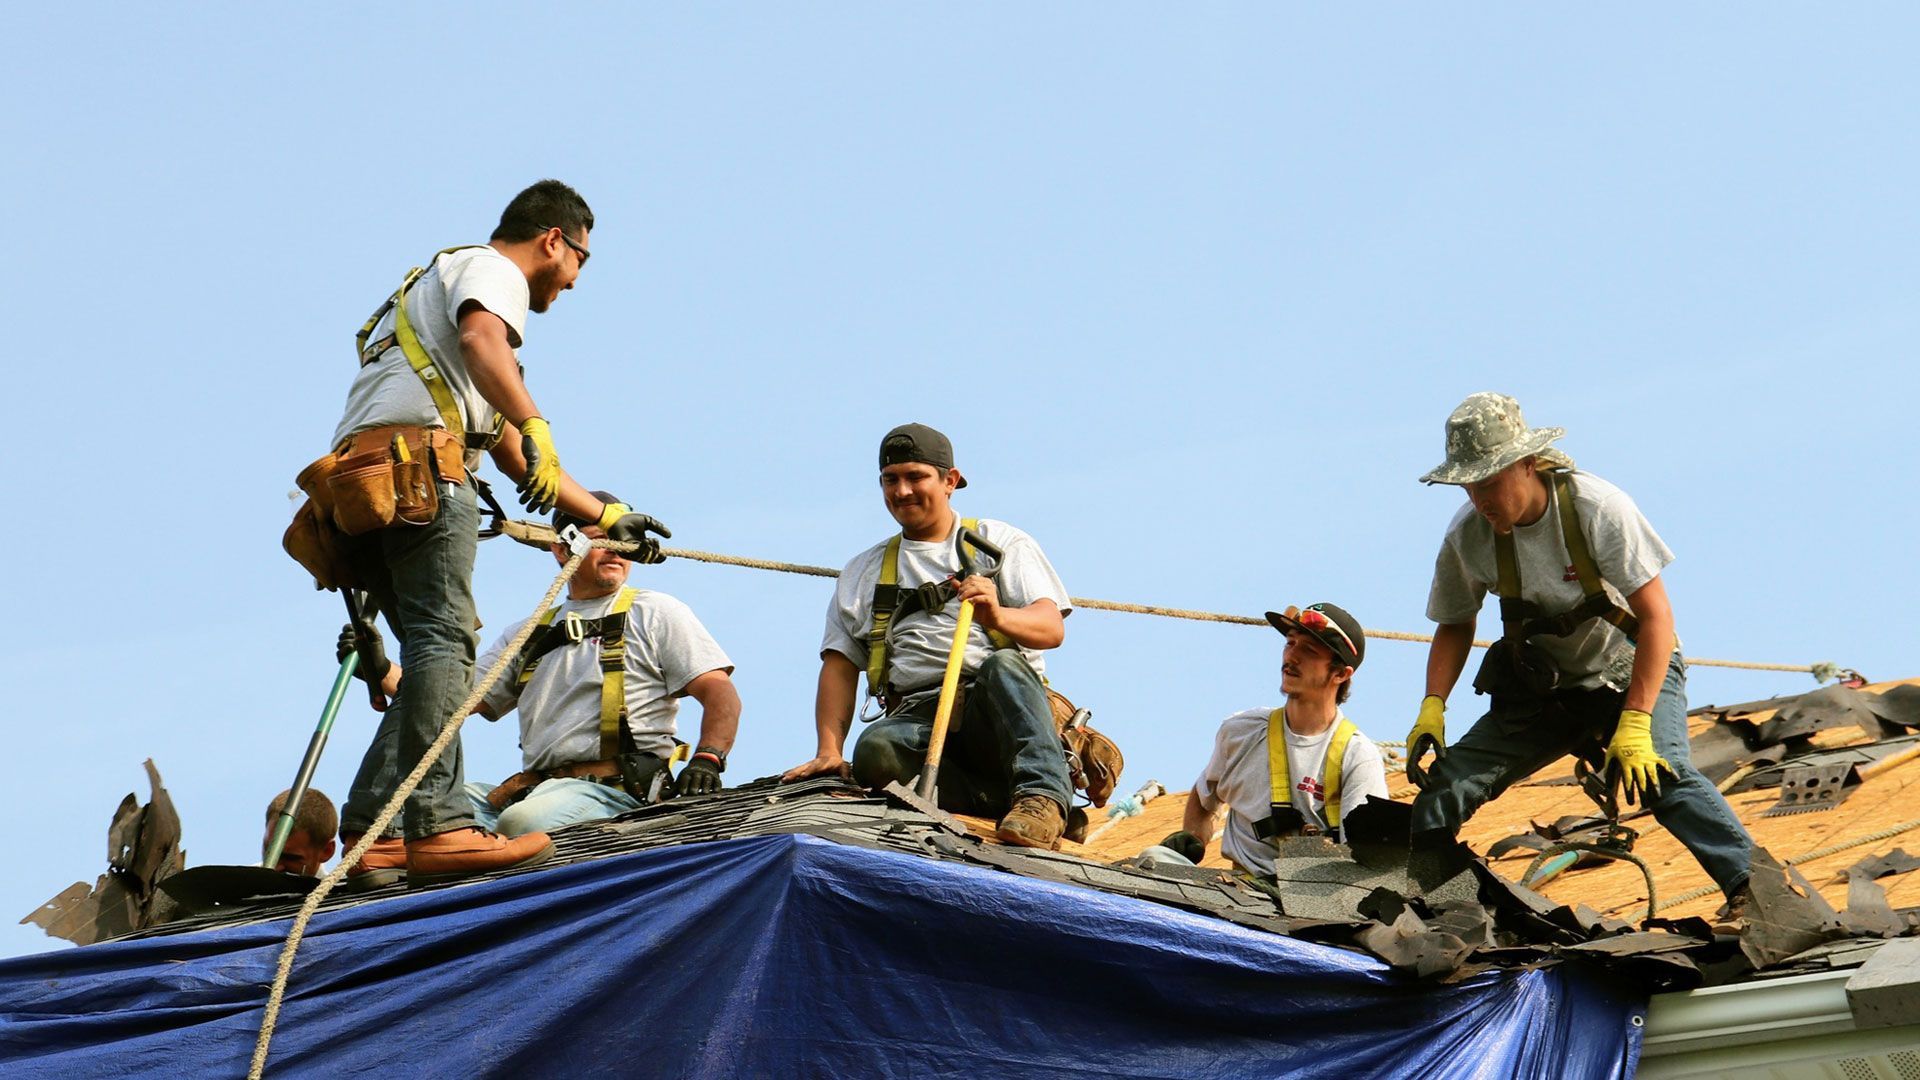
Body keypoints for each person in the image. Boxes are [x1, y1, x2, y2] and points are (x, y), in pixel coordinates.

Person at [304, 179, 671, 890]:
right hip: (421, 474)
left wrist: (604, 518)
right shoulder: (490, 272)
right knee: (447, 642)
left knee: (436, 644)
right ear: (553, 240)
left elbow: (506, 449)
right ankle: (438, 826)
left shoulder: (430, 294)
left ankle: (374, 832)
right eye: (580, 261)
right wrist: (541, 423)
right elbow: (485, 347)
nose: (574, 280)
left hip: (365, 483)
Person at [1403, 392, 1754, 918]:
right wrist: (1433, 705)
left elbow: (1657, 619)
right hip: (1545, 690)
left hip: (1627, 670)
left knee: (1663, 775)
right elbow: (1455, 623)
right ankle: (1428, 908)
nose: (1481, 500)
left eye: (1491, 483)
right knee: (1446, 789)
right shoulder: (1467, 535)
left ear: (1527, 464)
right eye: (1470, 487)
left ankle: (1757, 894)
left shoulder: (1598, 508)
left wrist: (1635, 723)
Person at [781, 424, 1075, 848]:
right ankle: (1002, 803)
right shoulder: (863, 572)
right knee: (876, 750)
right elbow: (840, 665)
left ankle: (1045, 798)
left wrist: (997, 614)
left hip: (996, 711)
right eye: (891, 479)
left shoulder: (995, 542)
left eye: (916, 476)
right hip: (918, 715)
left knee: (1003, 664)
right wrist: (830, 749)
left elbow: (1051, 628)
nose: (902, 491)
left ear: (950, 480)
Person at [1158, 603, 1389, 874]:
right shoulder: (1241, 731)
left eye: (1309, 651)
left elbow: (1369, 861)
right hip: (1238, 891)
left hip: (1310, 904)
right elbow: (1205, 794)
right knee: (1155, 860)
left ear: (1340, 674)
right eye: (1291, 643)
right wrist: (1194, 837)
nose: (1292, 656)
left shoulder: (1357, 756)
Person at [263, 788, 338, 877]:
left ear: (327, 851)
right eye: (269, 852)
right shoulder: (243, 886)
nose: (274, 868)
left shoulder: (335, 889)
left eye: (290, 858)